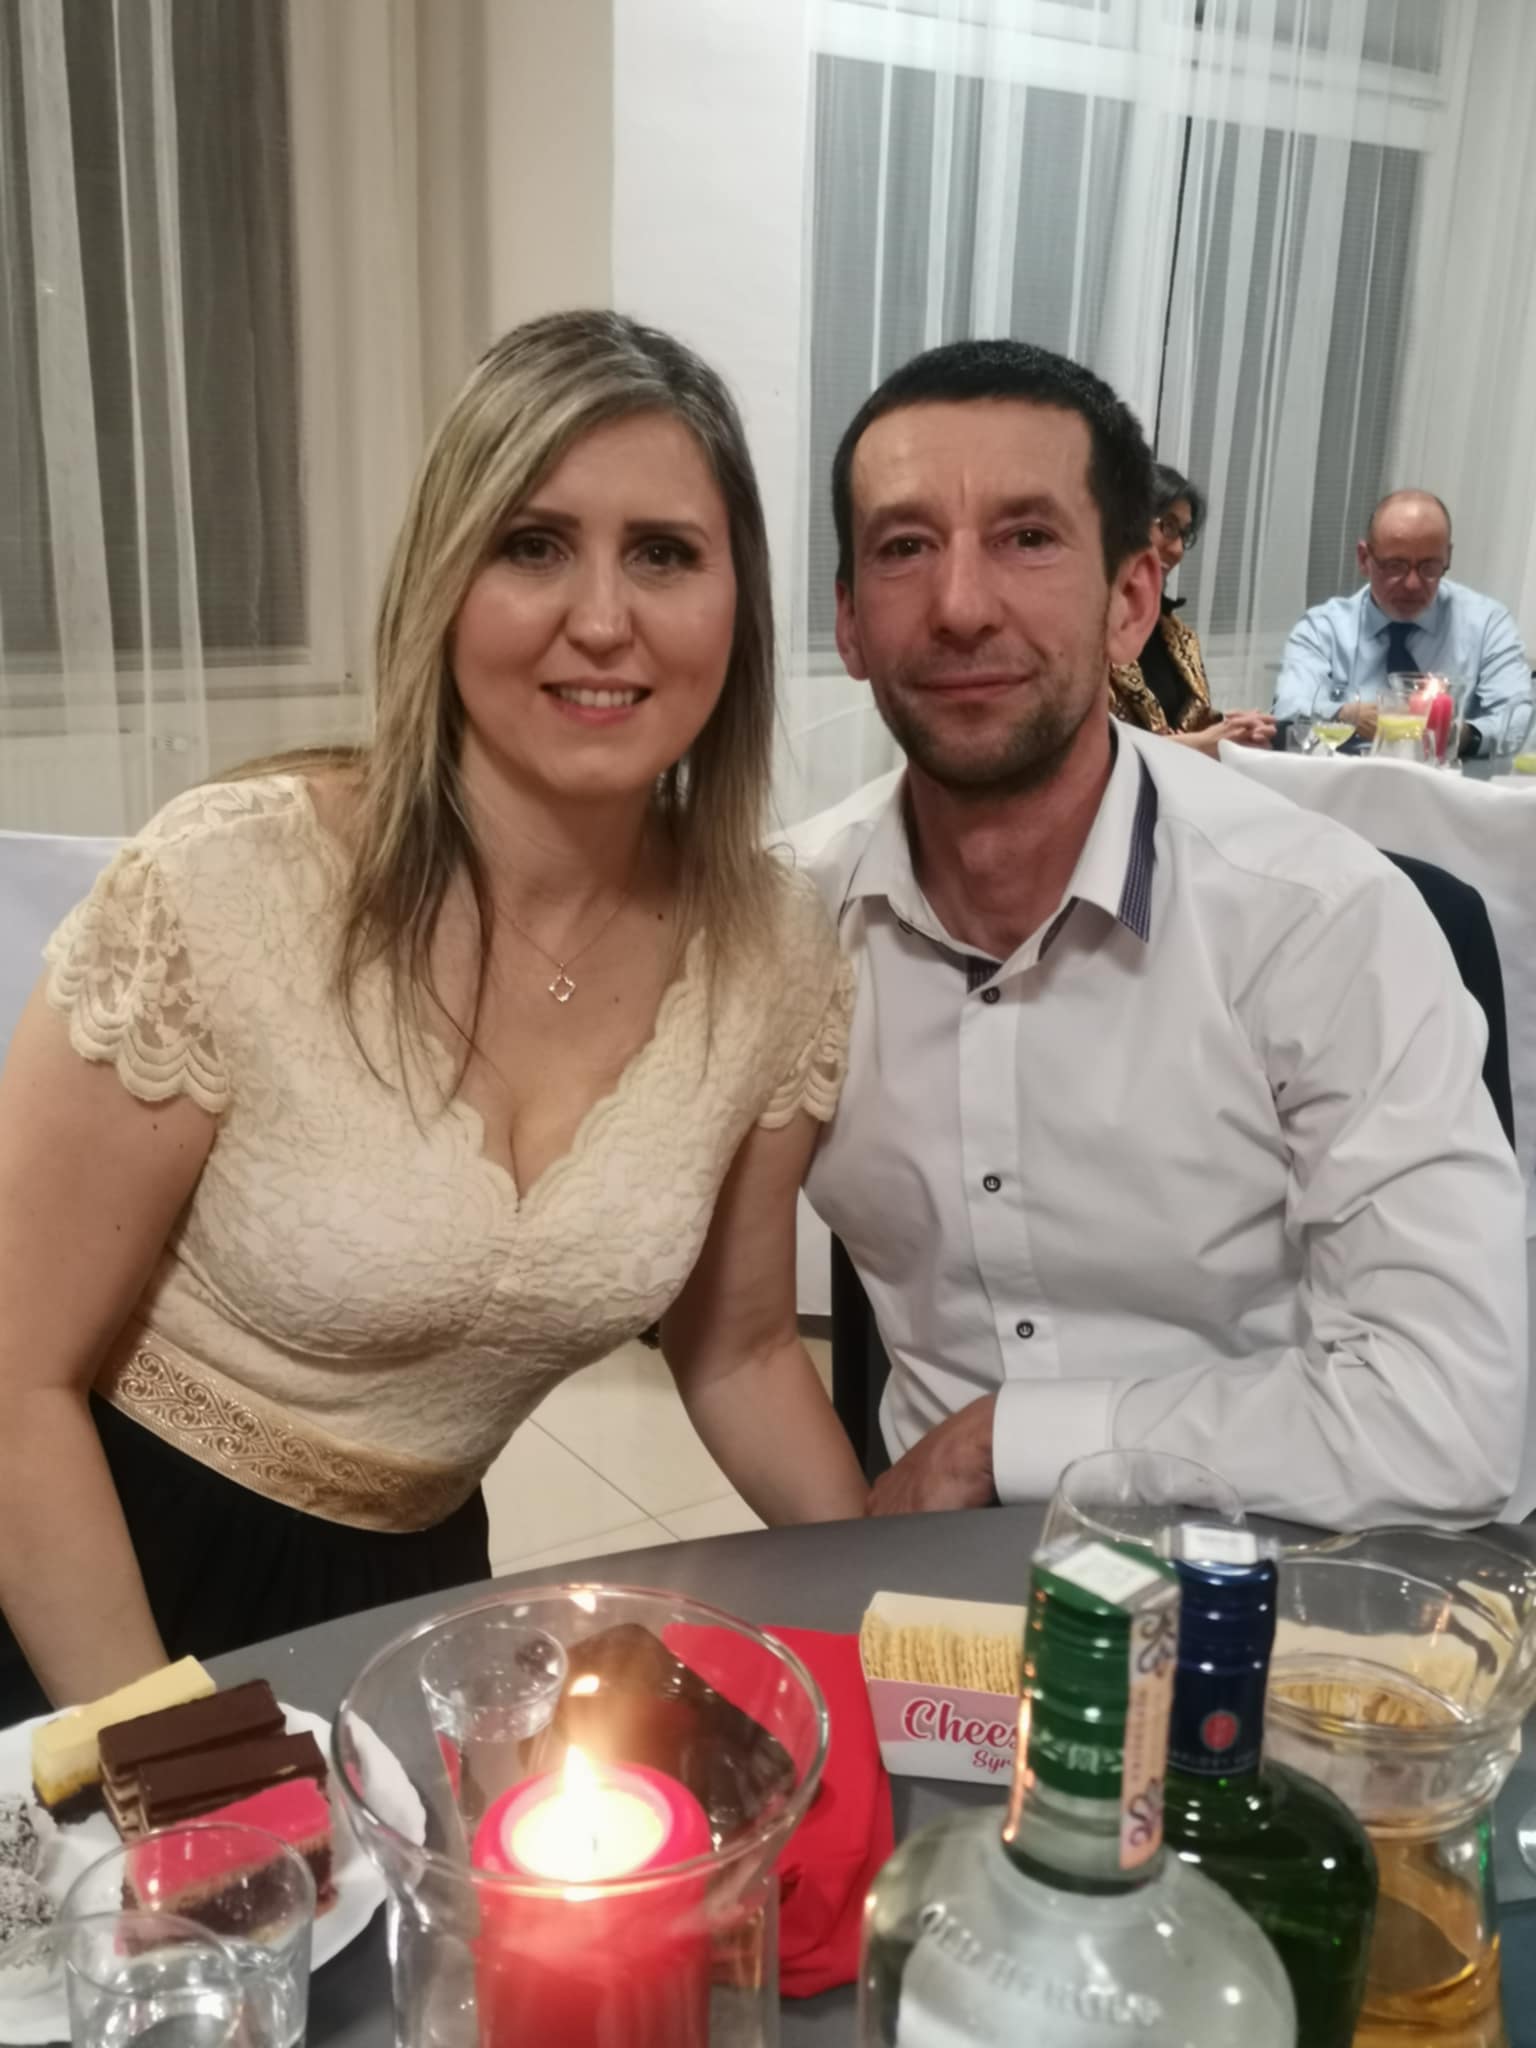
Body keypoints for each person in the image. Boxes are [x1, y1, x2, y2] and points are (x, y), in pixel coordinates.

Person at [0, 311, 867, 1721]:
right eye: (533, 544)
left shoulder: (772, 953)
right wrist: (162, 1756)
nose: (604, 617)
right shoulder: (227, 886)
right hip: (83, 1574)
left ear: (738, 606)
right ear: (443, 582)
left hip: (407, 1598)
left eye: (664, 553)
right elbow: (12, 1379)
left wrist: (895, 1610)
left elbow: (745, 1352)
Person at [800, 337, 1527, 1531]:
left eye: (1028, 537)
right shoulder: (790, 920)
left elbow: (1453, 1416)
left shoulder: (1317, 918)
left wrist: (1004, 1441)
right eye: (904, 547)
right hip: (929, 1586)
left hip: (1273, 1563)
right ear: (850, 620)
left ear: (1131, 600)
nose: (960, 605)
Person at [1272, 490, 1531, 752]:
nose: (1412, 584)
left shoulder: (1486, 624)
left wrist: (1459, 734)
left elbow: (1522, 722)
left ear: (1447, 557)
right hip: (1345, 772)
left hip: (1445, 774)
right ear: (1364, 558)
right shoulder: (1323, 629)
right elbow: (1287, 710)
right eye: (1395, 566)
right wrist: (1344, 716)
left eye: (1429, 567)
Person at [1109, 464, 1274, 755]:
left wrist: (1234, 728)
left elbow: (1192, 725)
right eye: (1167, 527)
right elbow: (1093, 752)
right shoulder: (1082, 629)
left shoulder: (1176, 636)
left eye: (1184, 535)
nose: (1177, 550)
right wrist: (1204, 743)